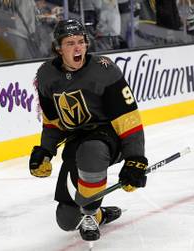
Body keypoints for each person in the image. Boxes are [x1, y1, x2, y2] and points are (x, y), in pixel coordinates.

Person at [29, 19, 148, 242]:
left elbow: (128, 119)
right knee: (66, 220)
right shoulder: (46, 76)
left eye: (81, 42)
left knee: (91, 150)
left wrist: (135, 159)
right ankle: (99, 213)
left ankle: (90, 212)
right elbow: (53, 122)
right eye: (70, 43)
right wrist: (45, 151)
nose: (78, 48)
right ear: (58, 48)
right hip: (77, 141)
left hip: (108, 136)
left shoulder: (104, 70)